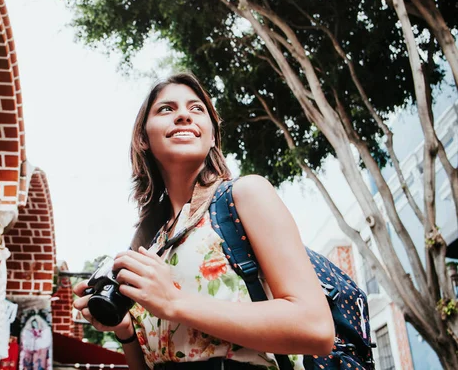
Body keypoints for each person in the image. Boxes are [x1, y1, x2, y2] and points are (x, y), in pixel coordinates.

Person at [73, 73, 334, 369]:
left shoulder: (245, 195)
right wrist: (126, 332)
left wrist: (175, 302)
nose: (184, 114)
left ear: (211, 136)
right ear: (143, 138)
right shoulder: (149, 243)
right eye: (166, 109)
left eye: (197, 109)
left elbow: (316, 328)